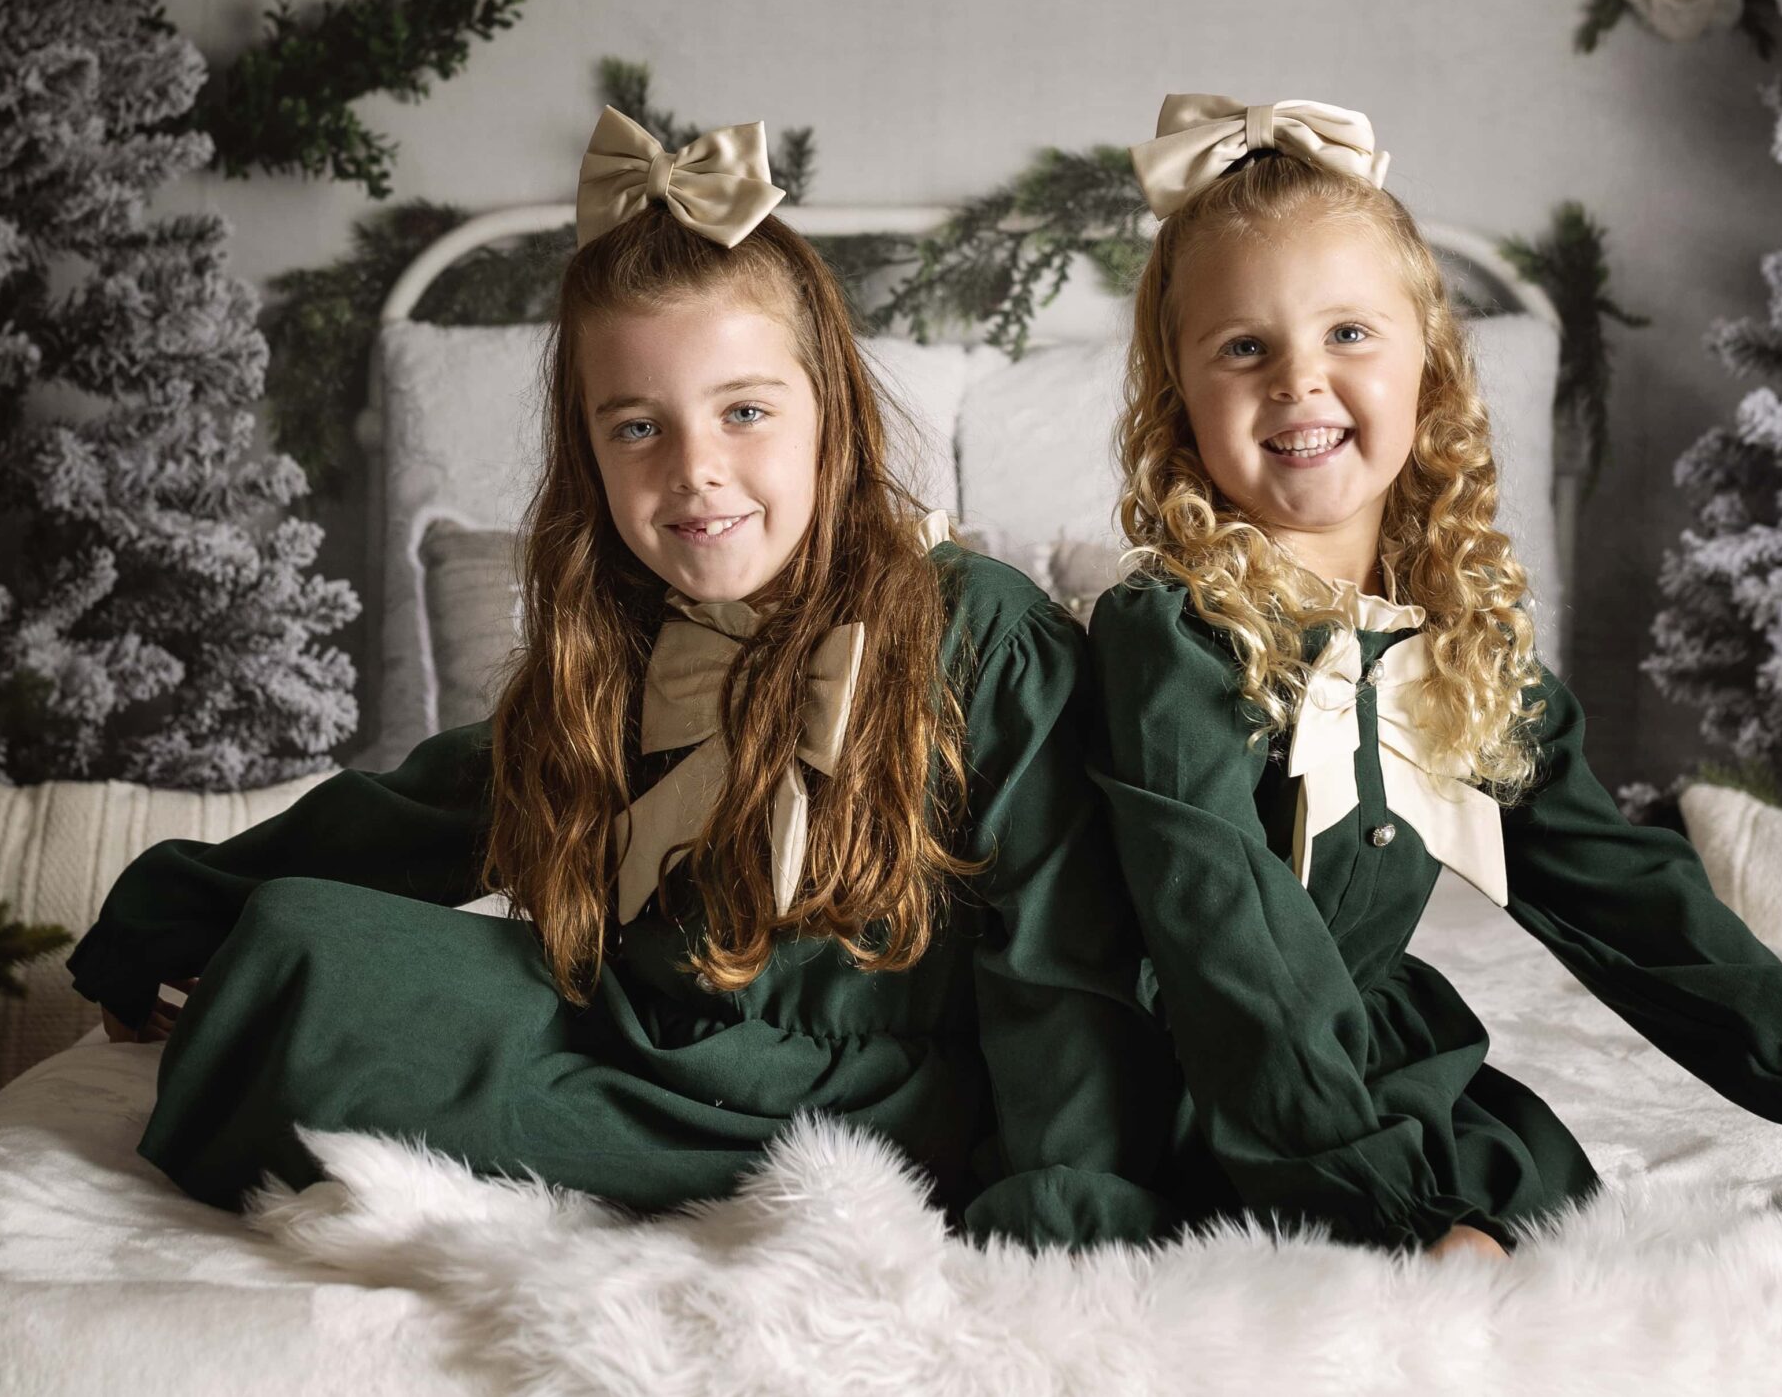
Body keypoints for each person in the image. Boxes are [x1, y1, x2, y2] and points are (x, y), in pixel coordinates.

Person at [68, 105, 1177, 1248]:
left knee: (307, 1021)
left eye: (745, 412)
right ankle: (584, 1132)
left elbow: (1063, 960)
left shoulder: (980, 634)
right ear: (588, 455)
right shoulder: (632, 638)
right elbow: (443, 803)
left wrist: (1065, 1217)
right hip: (647, 1051)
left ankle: (665, 1156)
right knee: (302, 951)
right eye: (638, 427)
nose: (696, 470)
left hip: (880, 1106)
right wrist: (178, 909)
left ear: (829, 419)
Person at [1086, 92, 1782, 1260]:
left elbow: (1616, 889)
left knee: (1563, 1239)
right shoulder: (1165, 632)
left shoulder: (1453, 638)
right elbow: (1227, 954)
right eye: (1242, 347)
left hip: (1360, 1075)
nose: (1297, 382)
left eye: (1350, 335)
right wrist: (1392, 1203)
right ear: (1180, 395)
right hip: (1196, 1089)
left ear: (1429, 363)